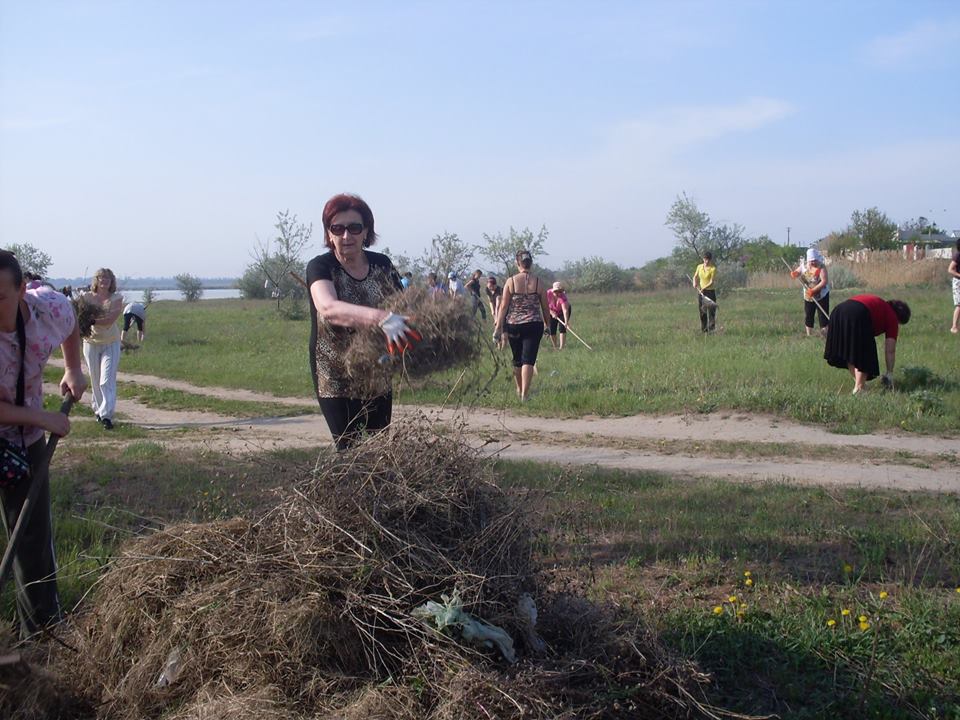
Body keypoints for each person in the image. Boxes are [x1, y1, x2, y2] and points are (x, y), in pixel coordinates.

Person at [0, 250, 86, 638]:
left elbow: (70, 320)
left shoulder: (46, 309)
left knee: (31, 537)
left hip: (25, 442)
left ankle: (40, 635)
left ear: (21, 291)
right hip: (26, 423)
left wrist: (73, 368)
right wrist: (43, 417)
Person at [306, 193, 417, 451]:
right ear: (329, 233)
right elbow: (328, 308)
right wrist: (381, 318)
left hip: (377, 367)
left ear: (366, 231)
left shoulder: (382, 264)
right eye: (338, 228)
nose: (347, 236)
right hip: (335, 372)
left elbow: (402, 306)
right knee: (350, 449)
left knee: (379, 445)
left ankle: (382, 491)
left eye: (354, 228)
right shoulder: (321, 267)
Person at [823, 294, 911, 394]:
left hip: (838, 312)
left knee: (850, 351)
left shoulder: (881, 305)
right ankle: (859, 388)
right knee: (865, 353)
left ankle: (860, 385)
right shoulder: (892, 317)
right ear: (899, 318)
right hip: (858, 313)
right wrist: (889, 372)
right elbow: (890, 350)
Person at [494, 249, 550, 402]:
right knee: (528, 360)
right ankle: (525, 394)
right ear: (530, 263)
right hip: (534, 324)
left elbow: (503, 306)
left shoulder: (511, 282)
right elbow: (545, 307)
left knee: (517, 360)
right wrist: (548, 325)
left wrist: (498, 328)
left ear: (517, 263)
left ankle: (519, 389)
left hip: (514, 325)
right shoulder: (538, 282)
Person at [81, 268, 124, 429]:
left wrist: (90, 321)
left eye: (108, 278)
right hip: (90, 342)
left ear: (112, 281)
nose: (104, 280)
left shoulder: (116, 298)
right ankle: (99, 411)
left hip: (110, 342)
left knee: (106, 379)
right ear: (96, 280)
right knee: (95, 378)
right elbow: (79, 313)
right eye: (101, 277)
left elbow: (109, 320)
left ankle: (106, 415)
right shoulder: (86, 297)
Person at [790, 248, 830, 337]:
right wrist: (795, 273)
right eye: (811, 261)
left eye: (814, 260)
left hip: (821, 295)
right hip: (808, 296)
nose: (813, 263)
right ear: (808, 260)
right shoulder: (804, 266)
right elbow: (798, 271)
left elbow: (824, 281)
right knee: (809, 315)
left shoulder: (821, 267)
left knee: (823, 316)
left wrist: (814, 290)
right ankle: (809, 335)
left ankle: (825, 335)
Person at [693, 252, 717, 332]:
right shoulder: (699, 267)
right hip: (701, 293)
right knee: (702, 312)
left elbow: (711, 282)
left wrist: (703, 288)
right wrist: (694, 282)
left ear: (710, 260)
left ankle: (712, 330)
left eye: (708, 260)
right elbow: (695, 276)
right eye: (705, 259)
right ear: (703, 259)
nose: (706, 261)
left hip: (710, 292)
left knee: (711, 312)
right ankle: (704, 330)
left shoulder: (713, 269)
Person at [546, 281, 572, 350]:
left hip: (562, 312)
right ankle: (555, 347)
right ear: (553, 290)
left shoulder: (563, 297)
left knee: (562, 328)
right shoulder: (547, 293)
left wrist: (566, 322)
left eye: (560, 291)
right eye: (556, 291)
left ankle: (561, 348)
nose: (558, 293)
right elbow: (544, 306)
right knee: (552, 329)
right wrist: (551, 312)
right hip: (551, 310)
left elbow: (565, 310)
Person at [949, 238, 960, 335]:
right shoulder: (958, 256)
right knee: (959, 305)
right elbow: (950, 269)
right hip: (958, 283)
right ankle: (954, 327)